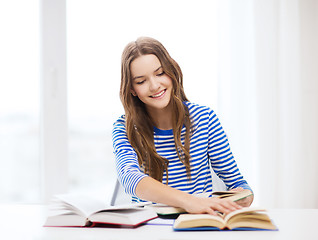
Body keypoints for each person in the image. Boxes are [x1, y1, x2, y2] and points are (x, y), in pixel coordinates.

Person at [112, 37, 253, 215]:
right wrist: (190, 202)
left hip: (200, 223)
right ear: (132, 89)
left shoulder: (204, 118)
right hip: (151, 226)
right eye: (141, 81)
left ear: (171, 71)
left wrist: (243, 196)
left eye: (160, 73)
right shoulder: (124, 128)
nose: (155, 86)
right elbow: (130, 178)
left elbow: (239, 185)